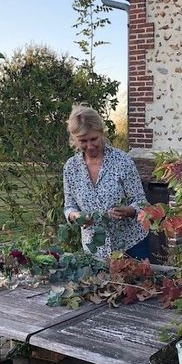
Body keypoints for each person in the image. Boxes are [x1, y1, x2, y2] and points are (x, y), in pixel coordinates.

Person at [63, 105, 149, 260]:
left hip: (130, 245)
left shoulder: (122, 161)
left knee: (138, 284)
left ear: (101, 133)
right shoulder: (71, 168)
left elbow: (141, 202)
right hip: (95, 251)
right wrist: (76, 216)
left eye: (94, 139)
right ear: (74, 139)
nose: (89, 146)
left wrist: (128, 211)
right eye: (83, 141)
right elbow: (69, 206)